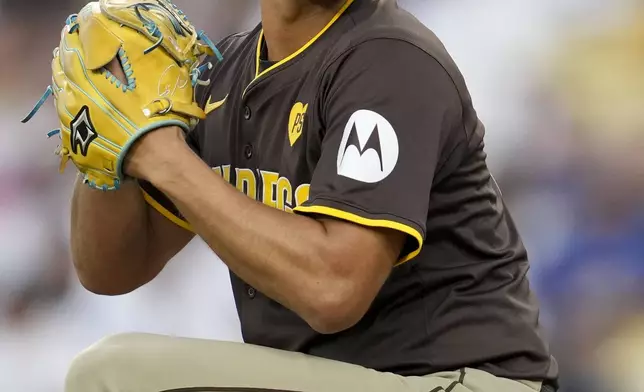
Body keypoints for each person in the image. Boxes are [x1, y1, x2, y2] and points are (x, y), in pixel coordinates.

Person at [64, 0, 559, 391]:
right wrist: (109, 153)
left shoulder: (389, 59)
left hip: (451, 379)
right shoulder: (231, 73)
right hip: (358, 379)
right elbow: (110, 270)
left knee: (110, 375)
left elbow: (334, 290)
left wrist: (165, 160)